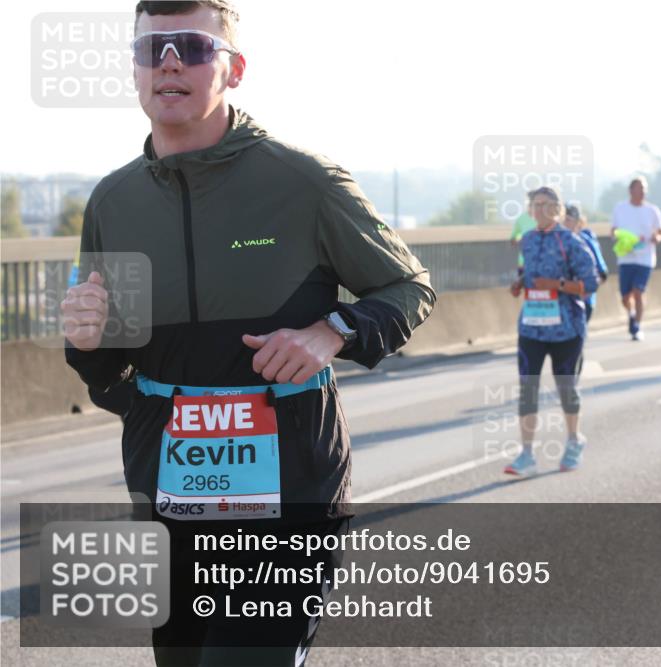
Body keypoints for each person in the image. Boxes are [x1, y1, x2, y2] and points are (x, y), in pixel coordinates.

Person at [59, 2, 435, 664]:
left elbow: (410, 287)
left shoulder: (302, 180)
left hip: (288, 498)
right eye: (153, 49)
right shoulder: (114, 204)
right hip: (168, 503)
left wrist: (335, 329)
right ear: (135, 68)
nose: (170, 61)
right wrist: (87, 345)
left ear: (233, 69)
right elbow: (110, 374)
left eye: (193, 47)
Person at [506, 187, 599, 475]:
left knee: (566, 388)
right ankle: (526, 454)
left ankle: (574, 441)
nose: (540, 210)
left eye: (546, 205)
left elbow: (591, 283)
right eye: (535, 205)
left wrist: (557, 285)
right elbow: (530, 271)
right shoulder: (529, 240)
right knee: (527, 389)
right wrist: (520, 283)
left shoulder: (571, 242)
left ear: (557, 210)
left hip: (567, 328)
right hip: (532, 327)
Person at [610, 177, 661, 340]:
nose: (642, 192)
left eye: (644, 188)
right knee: (625, 296)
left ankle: (637, 326)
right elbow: (613, 231)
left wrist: (657, 237)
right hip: (626, 258)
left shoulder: (652, 210)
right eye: (639, 188)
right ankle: (632, 313)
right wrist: (620, 238)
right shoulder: (620, 208)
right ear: (631, 190)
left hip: (645, 258)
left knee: (638, 291)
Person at [564, 204, 608, 322]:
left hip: (583, 302)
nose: (564, 224)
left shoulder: (586, 242)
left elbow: (602, 273)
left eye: (568, 220)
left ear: (578, 222)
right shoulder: (553, 242)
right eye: (562, 219)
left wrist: (586, 291)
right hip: (561, 302)